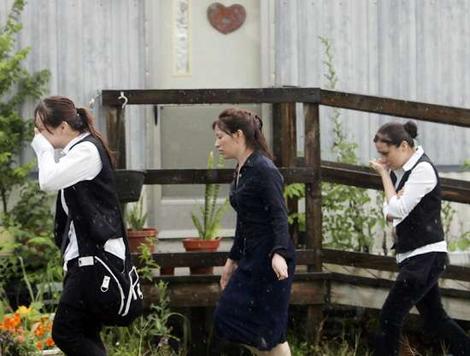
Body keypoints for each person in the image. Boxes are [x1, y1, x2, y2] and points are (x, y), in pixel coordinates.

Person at [31, 96, 127, 356]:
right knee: (85, 333)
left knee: (65, 332)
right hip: (85, 258)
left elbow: (48, 181)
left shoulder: (86, 151)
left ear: (62, 127)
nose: (38, 135)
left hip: (95, 259)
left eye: (42, 129)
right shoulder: (78, 152)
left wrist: (42, 148)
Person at [370, 120, 470, 356]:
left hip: (424, 257)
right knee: (435, 320)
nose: (383, 159)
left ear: (403, 146)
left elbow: (394, 210)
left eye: (386, 153)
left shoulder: (422, 170)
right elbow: (391, 214)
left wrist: (385, 176)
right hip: (416, 256)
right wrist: (394, 199)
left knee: (389, 318)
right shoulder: (405, 172)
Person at [212, 108, 296, 355]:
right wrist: (232, 259)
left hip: (271, 260)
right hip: (251, 258)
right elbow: (244, 219)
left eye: (220, 137)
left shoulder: (263, 169)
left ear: (238, 135)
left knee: (269, 333)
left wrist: (279, 252)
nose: (217, 144)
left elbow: (279, 215)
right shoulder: (241, 170)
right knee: (229, 318)